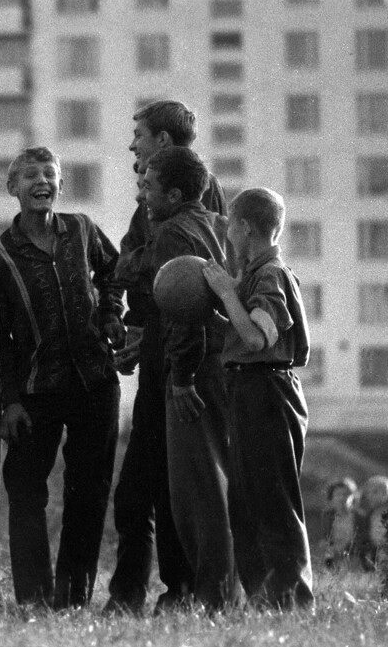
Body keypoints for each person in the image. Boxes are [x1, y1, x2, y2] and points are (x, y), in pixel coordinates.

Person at [0, 146, 125, 610]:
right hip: (34, 392)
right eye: (29, 175)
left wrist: (109, 315)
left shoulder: (81, 229)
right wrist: (10, 402)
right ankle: (34, 598)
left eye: (50, 174)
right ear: (13, 189)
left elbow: (114, 271)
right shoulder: (0, 256)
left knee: (89, 491)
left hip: (95, 382)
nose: (41, 181)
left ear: (61, 185)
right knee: (25, 492)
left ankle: (74, 598)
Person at [106, 101, 227, 615]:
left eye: (139, 135)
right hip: (167, 353)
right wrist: (137, 328)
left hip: (180, 361)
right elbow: (142, 266)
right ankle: (161, 593)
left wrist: (176, 370)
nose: (132, 145)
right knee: (157, 484)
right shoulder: (160, 198)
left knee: (158, 486)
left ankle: (169, 594)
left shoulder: (182, 204)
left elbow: (162, 276)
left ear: (163, 142)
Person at [202, 187, 313, 610]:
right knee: (245, 501)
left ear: (245, 227)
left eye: (230, 225)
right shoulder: (254, 274)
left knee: (273, 501)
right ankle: (266, 599)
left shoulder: (270, 276)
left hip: (268, 392)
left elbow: (254, 338)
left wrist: (226, 292)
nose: (227, 234)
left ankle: (293, 601)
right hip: (248, 390)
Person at [137, 146, 237, 613]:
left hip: (196, 373)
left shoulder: (173, 232)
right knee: (226, 485)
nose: (142, 193)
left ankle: (213, 597)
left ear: (173, 194)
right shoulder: (221, 225)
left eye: (148, 186)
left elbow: (182, 314)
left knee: (195, 493)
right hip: (230, 367)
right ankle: (231, 590)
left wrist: (180, 378)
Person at [321, 478, 359, 569]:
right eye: (338, 495)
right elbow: (325, 537)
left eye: (346, 494)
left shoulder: (358, 517)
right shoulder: (328, 516)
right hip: (333, 554)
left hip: (352, 554)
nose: (342, 498)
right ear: (331, 497)